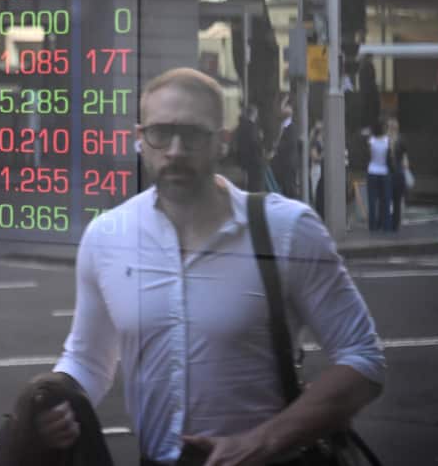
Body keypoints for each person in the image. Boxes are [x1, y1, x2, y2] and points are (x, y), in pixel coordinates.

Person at [36, 67, 384, 466]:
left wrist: (260, 442)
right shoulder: (107, 235)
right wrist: (55, 402)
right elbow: (88, 360)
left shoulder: (287, 229)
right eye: (160, 133)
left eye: (194, 134)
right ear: (139, 140)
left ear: (222, 141)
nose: (176, 150)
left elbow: (363, 359)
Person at [268, 95, 298, 199]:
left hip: (288, 164)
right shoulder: (283, 126)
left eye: (285, 106)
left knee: (290, 189)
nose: (281, 109)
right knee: (284, 189)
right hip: (282, 164)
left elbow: (289, 144)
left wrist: (277, 146)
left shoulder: (291, 127)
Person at [364, 122, 391, 233]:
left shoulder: (371, 141)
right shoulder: (387, 140)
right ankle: (385, 225)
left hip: (372, 170)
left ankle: (372, 226)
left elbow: (369, 155)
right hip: (384, 171)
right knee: (385, 200)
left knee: (372, 200)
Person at [384, 118, 409, 233]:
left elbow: (404, 157)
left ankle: (392, 223)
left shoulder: (388, 140)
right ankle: (393, 223)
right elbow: (405, 159)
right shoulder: (388, 140)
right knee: (393, 199)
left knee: (393, 199)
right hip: (394, 172)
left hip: (393, 172)